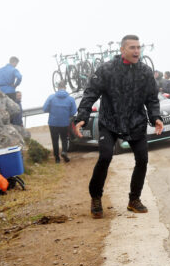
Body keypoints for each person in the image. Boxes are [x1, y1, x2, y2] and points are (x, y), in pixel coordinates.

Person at [73, 35, 163, 219]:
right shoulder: (107, 69)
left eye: (138, 47)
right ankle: (96, 198)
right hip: (110, 121)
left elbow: (152, 98)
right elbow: (91, 93)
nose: (137, 51)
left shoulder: (145, 72)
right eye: (132, 47)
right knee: (105, 157)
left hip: (135, 122)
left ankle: (134, 200)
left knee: (142, 159)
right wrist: (81, 116)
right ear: (122, 50)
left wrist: (156, 118)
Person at [43, 80, 77, 163]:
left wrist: (52, 111)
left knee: (55, 140)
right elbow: (73, 112)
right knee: (64, 139)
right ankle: (64, 152)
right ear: (65, 88)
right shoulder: (70, 99)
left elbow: (45, 109)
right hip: (64, 123)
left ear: (58, 88)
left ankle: (57, 158)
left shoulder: (51, 97)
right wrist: (66, 114)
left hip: (53, 123)